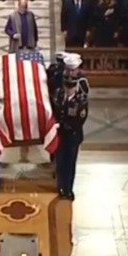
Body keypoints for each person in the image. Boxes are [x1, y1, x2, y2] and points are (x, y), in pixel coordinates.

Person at [53, 72, 88, 200]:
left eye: (71, 86)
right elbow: (54, 111)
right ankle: (60, 186)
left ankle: (68, 189)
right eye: (67, 86)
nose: (68, 89)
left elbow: (80, 120)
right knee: (60, 162)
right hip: (59, 136)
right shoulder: (58, 96)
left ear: (75, 86)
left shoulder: (81, 100)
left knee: (70, 164)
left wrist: (63, 125)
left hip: (72, 137)